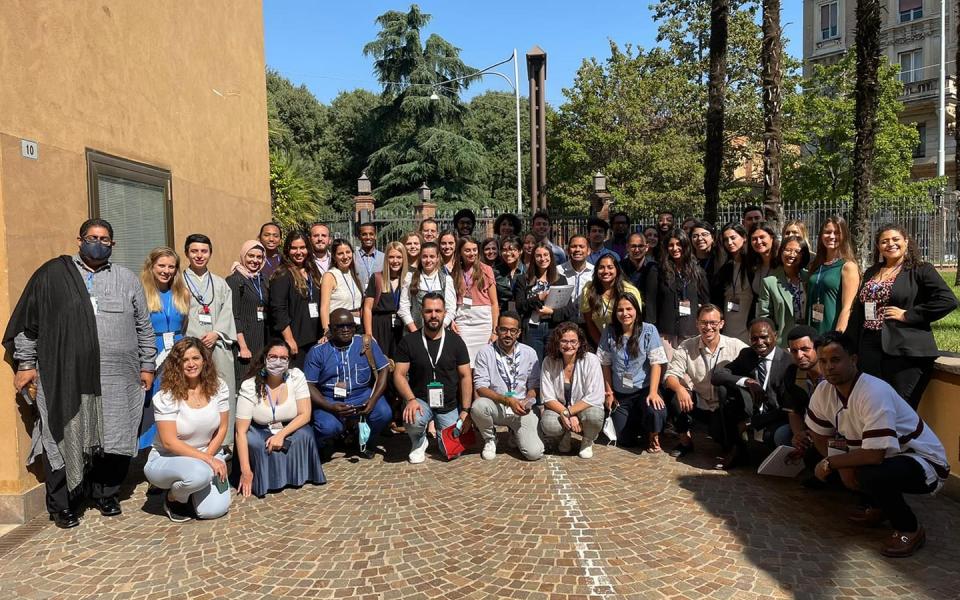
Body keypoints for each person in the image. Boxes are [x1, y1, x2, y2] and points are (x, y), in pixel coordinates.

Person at [5, 219, 156, 528]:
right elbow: (29, 325)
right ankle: (63, 503)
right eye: (92, 237)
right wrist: (26, 364)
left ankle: (106, 494)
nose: (97, 243)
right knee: (64, 433)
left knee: (113, 435)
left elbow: (144, 327)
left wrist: (147, 366)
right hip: (66, 375)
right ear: (79, 240)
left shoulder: (127, 279)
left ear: (112, 244)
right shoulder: (53, 276)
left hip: (117, 377)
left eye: (104, 239)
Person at [806, 332, 949, 558]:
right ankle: (877, 506)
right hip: (881, 456)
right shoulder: (824, 390)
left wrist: (832, 462)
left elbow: (874, 454)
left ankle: (909, 529)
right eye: (823, 361)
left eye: (836, 360)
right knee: (819, 460)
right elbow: (820, 434)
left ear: (853, 360)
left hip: (923, 461)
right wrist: (838, 465)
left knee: (871, 473)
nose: (829, 367)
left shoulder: (873, 391)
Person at [847, 224, 958, 409]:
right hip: (869, 349)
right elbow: (859, 311)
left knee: (900, 410)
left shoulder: (920, 270)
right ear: (878, 247)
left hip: (903, 352)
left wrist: (909, 315)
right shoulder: (871, 272)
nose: (890, 244)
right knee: (873, 408)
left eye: (895, 239)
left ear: (906, 241)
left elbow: (948, 300)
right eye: (884, 241)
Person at [144, 338, 230, 522]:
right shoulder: (166, 396)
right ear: (177, 364)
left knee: (213, 511)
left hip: (209, 452)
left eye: (195, 358)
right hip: (169, 457)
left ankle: (191, 492)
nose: (191, 364)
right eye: (185, 360)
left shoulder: (219, 387)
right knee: (200, 474)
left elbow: (222, 428)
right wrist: (208, 461)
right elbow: (169, 442)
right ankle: (174, 497)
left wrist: (209, 455)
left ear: (204, 360)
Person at [235, 340, 325, 497]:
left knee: (305, 434)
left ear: (289, 361)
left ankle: (300, 475)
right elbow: (240, 432)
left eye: (283, 358)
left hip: (289, 427)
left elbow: (305, 414)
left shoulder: (296, 377)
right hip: (261, 429)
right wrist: (246, 471)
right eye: (273, 356)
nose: (278, 361)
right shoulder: (249, 386)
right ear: (265, 359)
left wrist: (281, 435)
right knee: (255, 442)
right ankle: (259, 478)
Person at [393, 293, 473, 464]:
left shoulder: (456, 341)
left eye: (438, 310)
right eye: (429, 311)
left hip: (448, 404)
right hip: (420, 400)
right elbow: (398, 374)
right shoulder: (409, 341)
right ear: (422, 312)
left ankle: (440, 435)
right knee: (413, 418)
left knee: (451, 453)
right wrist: (410, 399)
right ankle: (419, 440)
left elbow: (466, 376)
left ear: (445, 313)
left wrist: (465, 410)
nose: (434, 315)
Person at [663, 304, 748, 460]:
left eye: (713, 323)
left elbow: (755, 360)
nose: (708, 327)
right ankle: (685, 442)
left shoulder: (735, 346)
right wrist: (680, 389)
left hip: (725, 407)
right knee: (672, 392)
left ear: (721, 323)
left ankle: (733, 439)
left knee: (722, 439)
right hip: (700, 404)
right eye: (703, 322)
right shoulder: (687, 346)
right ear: (697, 323)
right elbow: (670, 376)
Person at [305, 309, 392, 459]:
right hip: (330, 399)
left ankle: (365, 440)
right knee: (327, 427)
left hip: (362, 395)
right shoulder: (317, 351)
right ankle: (325, 443)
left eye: (350, 325)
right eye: (340, 326)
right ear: (330, 327)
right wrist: (330, 407)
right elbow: (309, 385)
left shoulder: (366, 344)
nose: (345, 330)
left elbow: (384, 370)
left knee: (383, 413)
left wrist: (373, 400)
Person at [711, 318, 792, 467]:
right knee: (723, 392)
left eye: (764, 337)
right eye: (754, 338)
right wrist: (747, 381)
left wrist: (752, 423)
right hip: (751, 409)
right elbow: (717, 376)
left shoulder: (788, 362)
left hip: (775, 416)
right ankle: (737, 451)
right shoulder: (747, 354)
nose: (759, 342)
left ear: (775, 335)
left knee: (774, 436)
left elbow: (787, 408)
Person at [183, 233, 237, 445]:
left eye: (204, 251)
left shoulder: (220, 283)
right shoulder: (179, 281)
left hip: (218, 344)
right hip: (191, 347)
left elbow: (228, 311)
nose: (199, 255)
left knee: (222, 390)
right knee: (192, 391)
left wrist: (216, 333)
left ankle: (224, 443)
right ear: (187, 253)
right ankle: (192, 441)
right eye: (194, 251)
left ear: (210, 254)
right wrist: (194, 341)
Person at [598, 295, 668, 451]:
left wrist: (654, 392)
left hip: (644, 389)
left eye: (629, 309)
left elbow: (656, 363)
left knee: (655, 410)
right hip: (621, 393)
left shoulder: (649, 330)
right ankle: (639, 426)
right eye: (620, 310)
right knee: (624, 439)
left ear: (636, 310)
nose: (625, 313)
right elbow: (605, 363)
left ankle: (653, 434)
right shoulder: (609, 331)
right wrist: (609, 392)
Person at [471, 311, 544, 461]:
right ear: (496, 330)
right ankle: (490, 439)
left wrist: (528, 399)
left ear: (519, 333)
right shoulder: (485, 353)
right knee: (478, 407)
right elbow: (480, 387)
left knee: (534, 453)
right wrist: (506, 400)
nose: (508, 334)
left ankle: (515, 433)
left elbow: (534, 385)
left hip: (521, 409)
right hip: (498, 406)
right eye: (503, 329)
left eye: (513, 330)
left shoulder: (529, 353)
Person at [137, 247, 190, 449]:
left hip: (178, 352)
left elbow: (184, 324)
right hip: (153, 351)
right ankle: (151, 448)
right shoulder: (141, 293)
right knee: (154, 401)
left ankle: (176, 444)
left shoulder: (183, 293)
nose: (166, 270)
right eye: (161, 265)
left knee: (177, 399)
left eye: (171, 266)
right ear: (151, 266)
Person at [539, 323, 605, 459]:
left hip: (583, 407)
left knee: (594, 416)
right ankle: (564, 435)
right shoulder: (548, 361)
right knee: (549, 425)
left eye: (573, 341)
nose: (568, 346)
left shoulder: (591, 360)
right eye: (564, 341)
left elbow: (595, 396)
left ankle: (587, 441)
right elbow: (547, 397)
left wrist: (568, 412)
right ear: (557, 342)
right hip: (559, 408)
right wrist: (565, 413)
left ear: (580, 343)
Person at [362, 242, 408, 428]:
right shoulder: (378, 278)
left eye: (399, 257)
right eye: (392, 257)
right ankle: (384, 417)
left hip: (401, 329)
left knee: (400, 370)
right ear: (386, 259)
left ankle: (398, 412)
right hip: (380, 327)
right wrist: (369, 333)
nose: (395, 261)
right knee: (382, 370)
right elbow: (367, 307)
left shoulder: (408, 279)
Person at [644, 228, 711, 353]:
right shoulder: (657, 271)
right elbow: (651, 304)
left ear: (686, 245)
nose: (675, 248)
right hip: (666, 333)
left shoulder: (698, 272)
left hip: (691, 332)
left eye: (679, 244)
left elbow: (705, 302)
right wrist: (650, 332)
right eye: (671, 245)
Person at [270, 232, 322, 369]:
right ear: (287, 250)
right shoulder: (282, 274)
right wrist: (289, 339)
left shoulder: (313, 271)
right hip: (296, 342)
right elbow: (278, 309)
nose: (299, 252)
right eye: (294, 248)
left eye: (303, 247)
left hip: (314, 338)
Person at [773, 325, 824, 451]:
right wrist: (799, 434)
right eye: (794, 351)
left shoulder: (831, 373)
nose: (799, 355)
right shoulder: (792, 372)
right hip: (809, 427)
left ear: (818, 349)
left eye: (805, 349)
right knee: (782, 435)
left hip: (834, 428)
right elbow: (793, 411)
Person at [806, 215, 860, 334]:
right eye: (827, 232)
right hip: (813, 330)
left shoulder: (848, 266)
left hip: (832, 332)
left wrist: (836, 338)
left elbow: (848, 308)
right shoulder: (816, 265)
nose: (831, 236)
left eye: (837, 233)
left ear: (844, 236)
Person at [515, 242, 569, 360]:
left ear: (551, 257)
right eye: (538, 255)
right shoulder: (523, 279)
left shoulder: (560, 279)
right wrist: (538, 298)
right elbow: (519, 306)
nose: (542, 258)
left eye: (546, 255)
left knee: (553, 364)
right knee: (534, 365)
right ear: (533, 258)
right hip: (532, 329)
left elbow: (566, 308)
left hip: (553, 327)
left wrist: (551, 312)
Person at [451, 236, 499, 365]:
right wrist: (451, 320)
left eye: (474, 250)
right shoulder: (455, 271)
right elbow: (450, 300)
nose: (472, 253)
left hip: (483, 321)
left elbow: (494, 303)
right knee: (465, 362)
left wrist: (495, 330)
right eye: (467, 250)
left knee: (484, 363)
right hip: (463, 320)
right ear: (460, 252)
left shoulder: (486, 270)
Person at [226, 240, 269, 385]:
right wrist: (243, 346)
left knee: (260, 382)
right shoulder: (235, 280)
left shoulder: (261, 280)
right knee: (245, 383)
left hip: (261, 339)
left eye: (259, 257)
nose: (255, 261)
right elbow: (234, 315)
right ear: (244, 256)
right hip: (245, 342)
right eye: (251, 256)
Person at [757, 235, 811, 347]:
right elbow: (764, 316)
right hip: (783, 342)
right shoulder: (769, 282)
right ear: (781, 252)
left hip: (808, 339)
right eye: (787, 250)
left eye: (797, 251)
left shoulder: (810, 278)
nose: (791, 254)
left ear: (803, 255)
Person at [581, 254, 642, 348]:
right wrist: (602, 345)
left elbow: (635, 320)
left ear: (617, 270)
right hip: (598, 342)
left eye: (610, 267)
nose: (606, 271)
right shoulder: (589, 290)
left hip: (627, 342)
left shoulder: (629, 290)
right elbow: (589, 321)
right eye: (601, 267)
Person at [399, 241, 457, 331]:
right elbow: (404, 307)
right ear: (420, 258)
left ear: (437, 258)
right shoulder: (410, 278)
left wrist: (440, 329)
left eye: (432, 257)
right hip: (415, 330)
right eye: (425, 256)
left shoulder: (446, 280)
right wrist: (414, 330)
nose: (428, 260)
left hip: (439, 331)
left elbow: (451, 309)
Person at [713, 223, 753, 343]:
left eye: (733, 238)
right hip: (728, 320)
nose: (729, 243)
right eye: (726, 240)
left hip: (747, 319)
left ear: (744, 238)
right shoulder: (724, 266)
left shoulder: (753, 265)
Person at [319, 238, 364, 335]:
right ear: (334, 257)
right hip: (340, 327)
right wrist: (326, 331)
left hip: (356, 326)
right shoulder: (330, 276)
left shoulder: (353, 275)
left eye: (348, 252)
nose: (345, 256)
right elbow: (324, 307)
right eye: (340, 253)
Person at [558, 235, 594, 331]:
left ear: (588, 251)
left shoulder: (595, 272)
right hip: (563, 324)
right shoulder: (558, 271)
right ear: (567, 250)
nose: (577, 249)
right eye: (574, 246)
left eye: (581, 247)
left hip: (588, 324)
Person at [747, 222, 779, 297]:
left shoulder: (782, 262)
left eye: (762, 237)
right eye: (754, 239)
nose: (758, 242)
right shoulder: (754, 265)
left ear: (772, 237)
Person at [494, 235, 525, 315]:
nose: (507, 253)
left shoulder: (527, 271)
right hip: (502, 314)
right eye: (504, 250)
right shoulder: (495, 272)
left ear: (520, 251)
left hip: (523, 314)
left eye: (512, 250)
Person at [690, 221, 723, 287]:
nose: (700, 238)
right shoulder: (688, 261)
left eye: (704, 234)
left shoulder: (721, 260)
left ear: (713, 237)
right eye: (695, 236)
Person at [355, 222, 384, 293]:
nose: (368, 237)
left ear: (375, 236)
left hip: (378, 300)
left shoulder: (383, 257)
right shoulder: (353, 257)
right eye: (364, 234)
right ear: (359, 237)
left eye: (371, 234)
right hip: (359, 301)